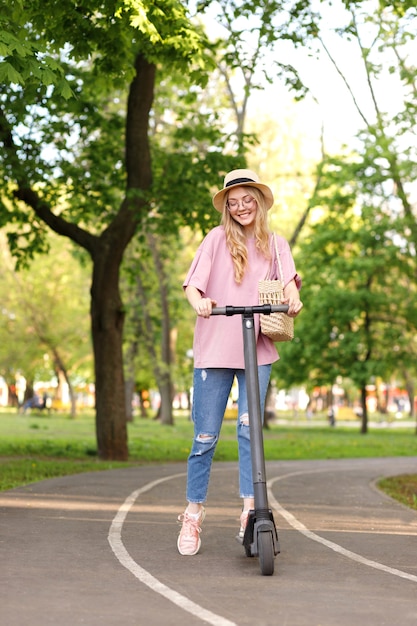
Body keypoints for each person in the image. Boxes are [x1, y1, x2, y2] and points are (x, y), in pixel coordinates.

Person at [178, 169, 303, 556]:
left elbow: (286, 285)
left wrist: (294, 300)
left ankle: (251, 509)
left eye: (247, 199)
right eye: (233, 202)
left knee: (251, 434)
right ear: (227, 208)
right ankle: (193, 512)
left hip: (257, 347)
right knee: (205, 436)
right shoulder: (216, 239)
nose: (241, 207)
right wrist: (199, 301)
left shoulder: (276, 244)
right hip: (215, 347)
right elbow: (193, 285)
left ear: (259, 201)